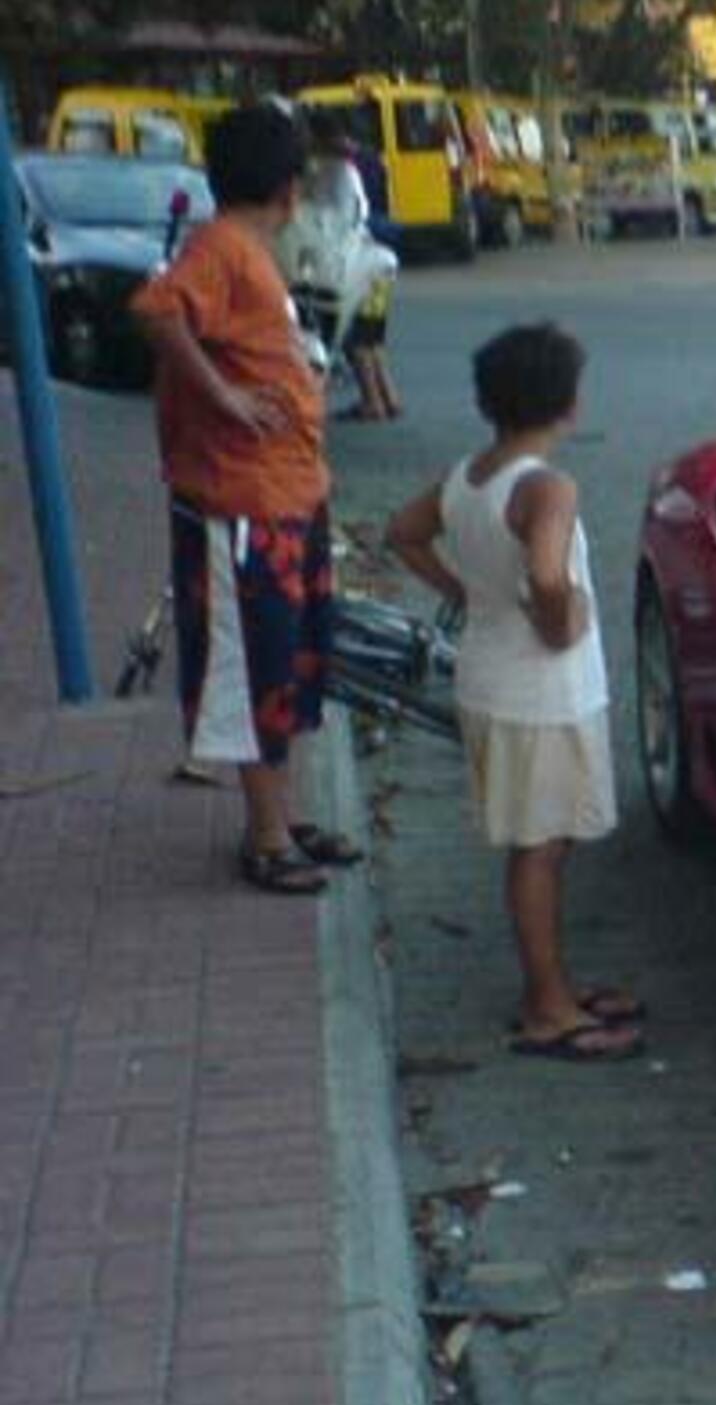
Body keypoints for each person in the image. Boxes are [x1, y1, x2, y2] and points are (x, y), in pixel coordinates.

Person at [383, 324, 646, 1062]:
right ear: (568, 401)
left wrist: (467, 591)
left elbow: (401, 532)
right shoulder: (547, 486)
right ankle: (549, 1009)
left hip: (491, 678)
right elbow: (552, 574)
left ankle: (552, 983)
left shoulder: (469, 476)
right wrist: (561, 621)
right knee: (541, 850)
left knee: (539, 843)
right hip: (541, 691)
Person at [128, 102, 361, 896]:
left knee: (293, 662)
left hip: (289, 494)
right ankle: (265, 837)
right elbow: (157, 311)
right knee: (256, 666)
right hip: (243, 505)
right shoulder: (224, 248)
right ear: (289, 188)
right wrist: (225, 398)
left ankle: (282, 816)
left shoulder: (247, 254)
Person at [297, 118, 403, 421]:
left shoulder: (332, 171)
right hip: (382, 258)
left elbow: (330, 218)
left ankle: (372, 401)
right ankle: (388, 398)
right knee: (373, 335)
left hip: (355, 259)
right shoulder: (369, 161)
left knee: (356, 336)